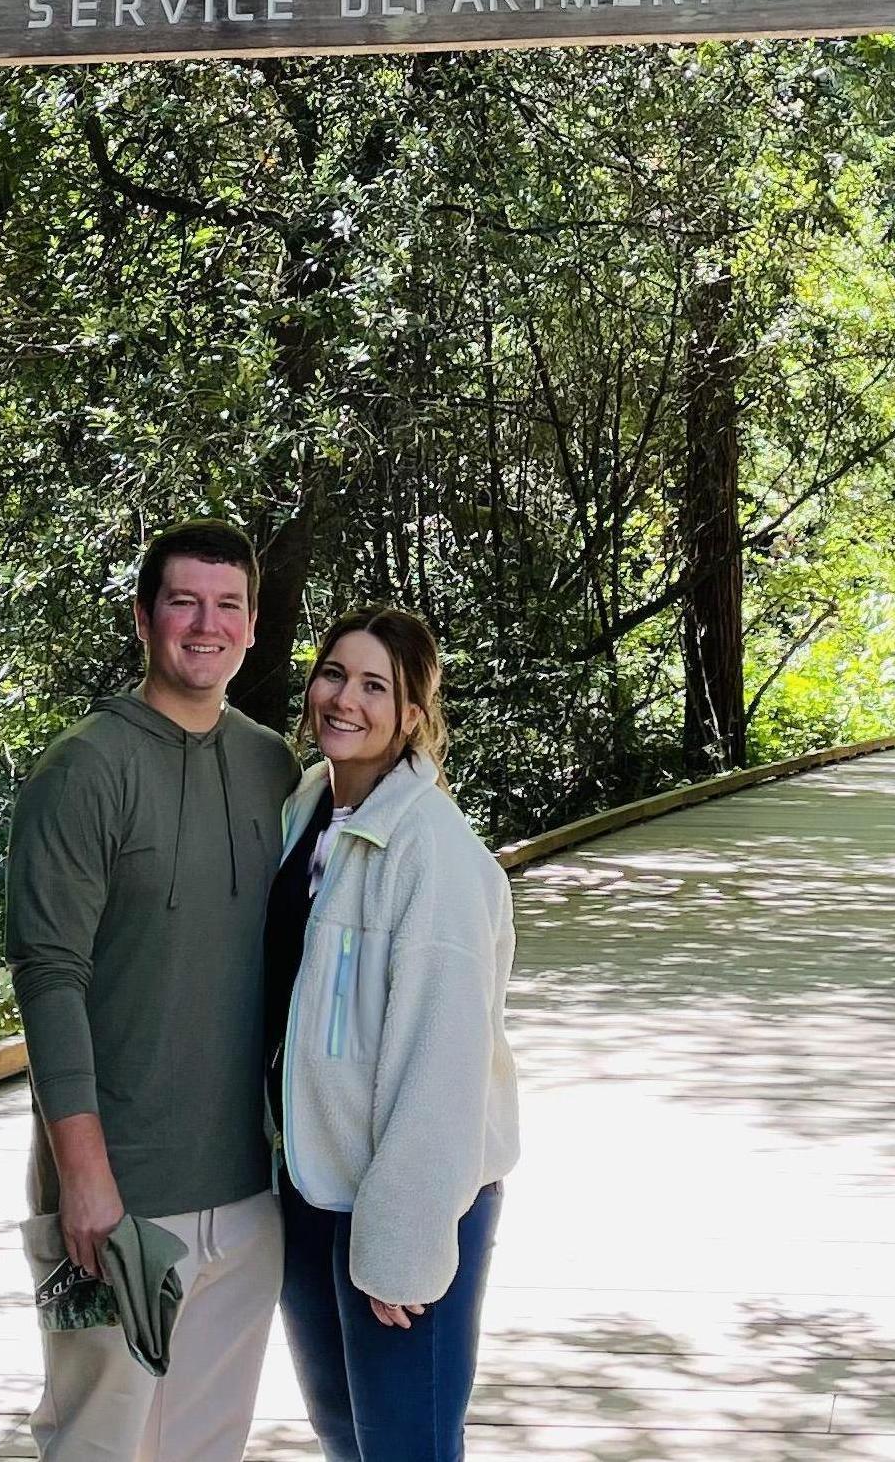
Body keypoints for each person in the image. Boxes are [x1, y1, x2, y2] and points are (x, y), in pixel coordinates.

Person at [6, 520, 300, 1462]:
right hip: (117, 1197)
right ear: (144, 617)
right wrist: (83, 1175)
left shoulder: (273, 767)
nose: (205, 625)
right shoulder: (82, 770)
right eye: (183, 601)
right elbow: (49, 977)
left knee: (208, 1446)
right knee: (96, 1440)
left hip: (250, 1191)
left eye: (227, 605)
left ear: (252, 626)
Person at [267, 606, 518, 1462]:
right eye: (334, 673)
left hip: (406, 1204)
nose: (346, 699)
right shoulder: (307, 810)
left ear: (413, 714)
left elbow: (444, 1065)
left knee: (407, 1445)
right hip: (312, 1185)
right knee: (345, 1435)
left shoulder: (433, 854)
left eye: (376, 685)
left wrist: (402, 1247)